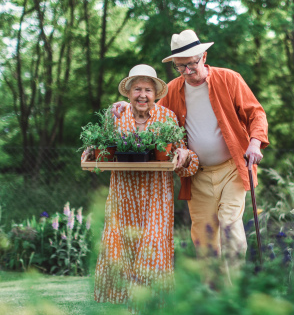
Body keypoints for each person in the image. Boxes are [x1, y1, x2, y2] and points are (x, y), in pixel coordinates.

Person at [114, 30, 269, 285]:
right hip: (197, 175)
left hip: (232, 168)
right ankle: (216, 295)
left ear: (203, 57)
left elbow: (256, 114)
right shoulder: (174, 90)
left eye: (191, 64)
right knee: (204, 238)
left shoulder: (229, 79)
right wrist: (121, 108)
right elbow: (151, 117)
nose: (186, 71)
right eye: (180, 67)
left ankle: (238, 292)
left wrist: (254, 143)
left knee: (230, 228)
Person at [84, 64, 199, 310]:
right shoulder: (115, 118)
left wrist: (182, 154)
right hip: (123, 194)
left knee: (154, 243)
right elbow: (103, 150)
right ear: (128, 93)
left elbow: (183, 154)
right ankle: (123, 305)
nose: (142, 95)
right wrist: (91, 151)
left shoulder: (167, 118)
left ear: (156, 94)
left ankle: (151, 305)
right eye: (137, 89)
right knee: (122, 245)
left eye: (148, 89)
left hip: (157, 194)